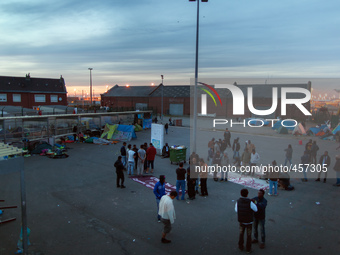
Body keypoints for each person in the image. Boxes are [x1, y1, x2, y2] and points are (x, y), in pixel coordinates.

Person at [235, 188, 258, 253]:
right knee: (249, 235)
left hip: (241, 221)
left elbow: (236, 210)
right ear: (247, 194)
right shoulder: (250, 202)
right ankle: (248, 248)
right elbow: (256, 209)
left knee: (241, 234)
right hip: (248, 221)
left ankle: (241, 246)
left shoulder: (238, 201)